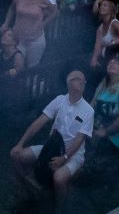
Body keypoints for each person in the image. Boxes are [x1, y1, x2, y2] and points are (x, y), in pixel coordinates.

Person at [10, 69, 95, 205]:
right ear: (69, 83)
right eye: (77, 78)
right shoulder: (59, 100)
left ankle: (58, 211)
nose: (82, 81)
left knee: (59, 178)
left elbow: (80, 139)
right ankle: (28, 192)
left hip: (74, 155)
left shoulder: (88, 110)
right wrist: (20, 143)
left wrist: (64, 158)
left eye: (83, 80)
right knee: (16, 155)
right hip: (51, 148)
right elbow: (40, 121)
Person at [4, 0, 54, 69]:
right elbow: (12, 8)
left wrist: (43, 23)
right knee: (16, 66)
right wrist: (6, 23)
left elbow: (55, 12)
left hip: (35, 40)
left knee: (32, 68)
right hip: (18, 37)